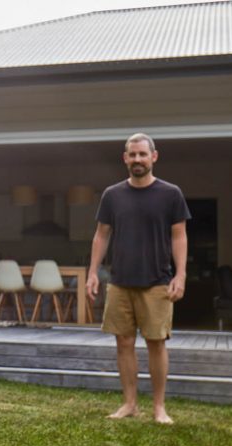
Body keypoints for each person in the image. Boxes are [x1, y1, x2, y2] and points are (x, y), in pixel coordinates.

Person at [86, 133, 190, 425]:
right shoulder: (112, 195)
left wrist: (180, 275)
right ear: (125, 158)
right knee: (123, 343)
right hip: (119, 281)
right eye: (132, 155)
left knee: (156, 343)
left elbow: (179, 236)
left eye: (143, 154)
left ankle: (159, 407)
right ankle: (130, 404)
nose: (137, 160)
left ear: (154, 157)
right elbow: (101, 234)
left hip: (158, 281)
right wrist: (93, 272)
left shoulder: (171, 194)